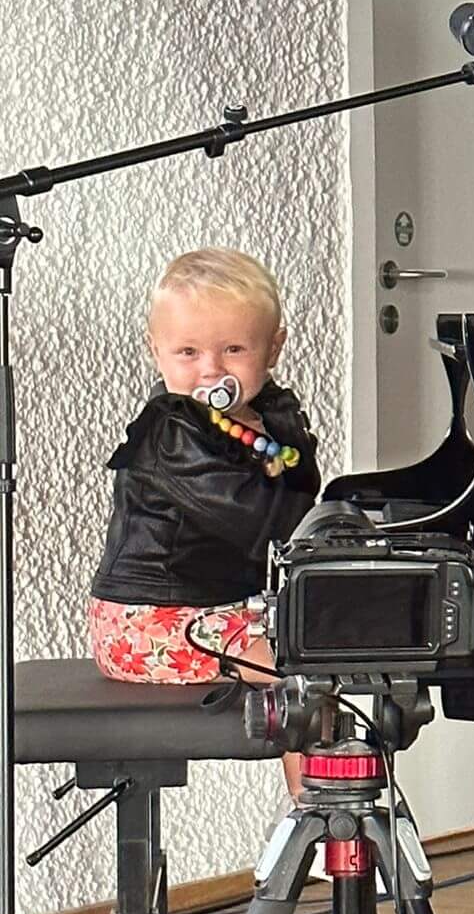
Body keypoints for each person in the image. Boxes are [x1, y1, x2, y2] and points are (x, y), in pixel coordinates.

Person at [89, 249, 320, 793]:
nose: (211, 369)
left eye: (234, 349)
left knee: (321, 641)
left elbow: (301, 483)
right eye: (188, 352)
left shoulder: (260, 418)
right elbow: (263, 526)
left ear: (273, 349)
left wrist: (278, 425)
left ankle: (341, 799)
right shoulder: (173, 433)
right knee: (291, 670)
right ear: (157, 352)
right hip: (149, 620)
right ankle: (317, 809)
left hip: (213, 606)